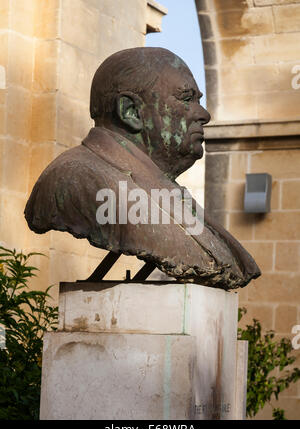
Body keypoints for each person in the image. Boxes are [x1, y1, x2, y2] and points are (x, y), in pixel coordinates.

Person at [25, 47, 260, 289]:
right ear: (130, 111)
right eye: (186, 99)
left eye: (198, 100)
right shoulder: (76, 178)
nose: (204, 114)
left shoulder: (164, 188)